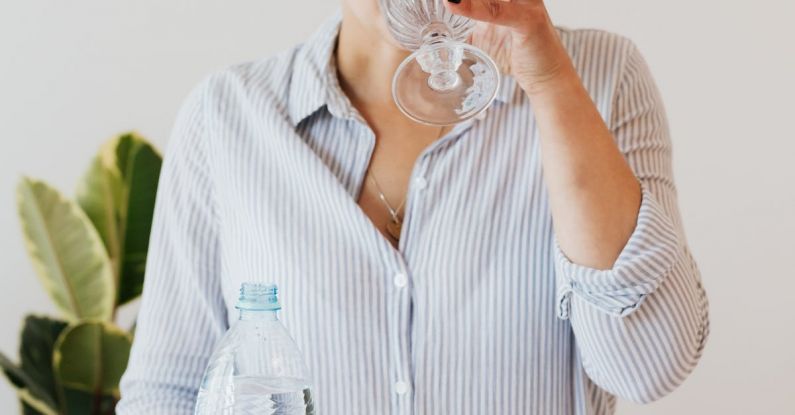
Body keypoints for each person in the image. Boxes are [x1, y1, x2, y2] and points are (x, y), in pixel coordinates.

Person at [117, 0, 710, 413]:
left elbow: (648, 366)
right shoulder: (227, 115)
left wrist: (549, 79)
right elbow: (166, 392)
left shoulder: (602, 78)